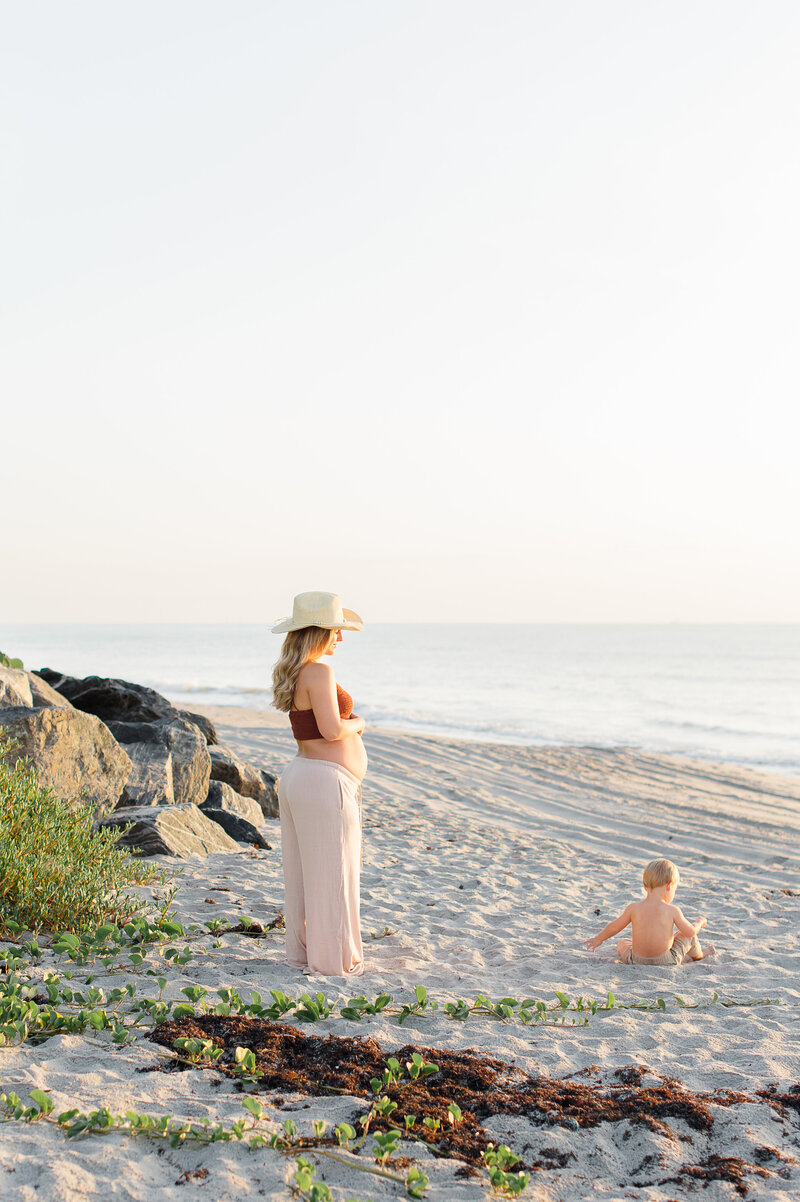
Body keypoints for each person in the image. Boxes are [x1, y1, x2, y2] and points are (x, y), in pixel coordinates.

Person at [271, 591, 367, 977]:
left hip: (301, 777)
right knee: (334, 874)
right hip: (323, 783)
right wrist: (359, 723)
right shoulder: (319, 672)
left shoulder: (296, 671)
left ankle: (305, 954)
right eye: (335, 630)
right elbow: (331, 730)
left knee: (303, 874)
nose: (340, 638)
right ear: (317, 632)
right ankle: (331, 963)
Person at [584, 858, 715, 965]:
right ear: (669, 886)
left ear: (645, 887)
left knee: (623, 942)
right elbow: (690, 932)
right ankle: (699, 956)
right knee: (688, 936)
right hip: (667, 960)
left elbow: (614, 927)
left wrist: (598, 939)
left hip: (635, 960)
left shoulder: (633, 908)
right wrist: (699, 922)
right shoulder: (672, 910)